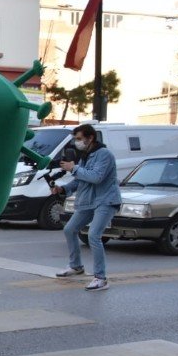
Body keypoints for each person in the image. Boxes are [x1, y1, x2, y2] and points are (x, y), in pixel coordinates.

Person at [53, 123, 122, 291]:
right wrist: (63, 189)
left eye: (79, 139)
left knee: (94, 235)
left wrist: (73, 167)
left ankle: (100, 278)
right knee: (70, 229)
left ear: (90, 138)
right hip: (89, 201)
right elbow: (80, 180)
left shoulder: (104, 154)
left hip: (106, 200)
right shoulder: (86, 156)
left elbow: (96, 177)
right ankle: (76, 266)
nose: (77, 142)